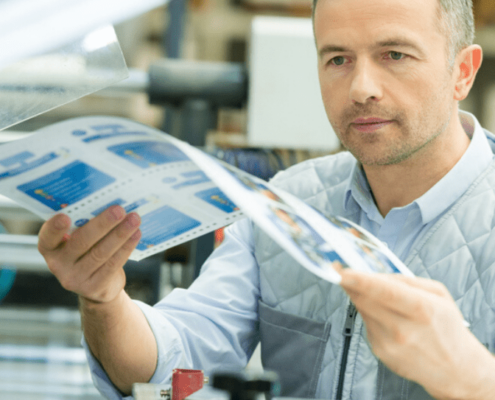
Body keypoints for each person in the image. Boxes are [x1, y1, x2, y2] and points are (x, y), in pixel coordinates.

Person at [38, 0, 495, 398]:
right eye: (338, 59)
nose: (361, 89)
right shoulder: (286, 204)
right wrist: (102, 299)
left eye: (394, 54)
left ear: (463, 72)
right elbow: (178, 360)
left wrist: (474, 381)